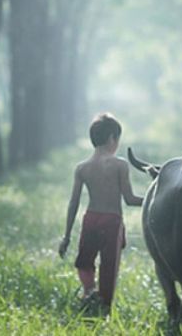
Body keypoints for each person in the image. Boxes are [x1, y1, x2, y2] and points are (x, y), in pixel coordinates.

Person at [58, 113, 144, 313]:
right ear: (112, 138)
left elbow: (73, 203)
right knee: (109, 267)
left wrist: (67, 236)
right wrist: (152, 198)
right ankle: (104, 307)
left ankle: (89, 292)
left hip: (91, 219)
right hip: (112, 221)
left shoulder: (82, 168)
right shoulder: (120, 165)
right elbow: (130, 199)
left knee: (84, 261)